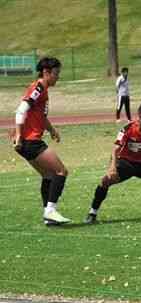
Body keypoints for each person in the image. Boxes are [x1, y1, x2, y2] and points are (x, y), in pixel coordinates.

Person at [13, 57, 71, 226]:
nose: (58, 77)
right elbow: (21, 110)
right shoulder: (38, 87)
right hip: (29, 141)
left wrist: (51, 130)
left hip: (26, 142)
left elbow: (40, 116)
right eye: (56, 73)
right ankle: (50, 211)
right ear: (46, 72)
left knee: (48, 175)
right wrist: (18, 135)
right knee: (61, 172)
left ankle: (48, 215)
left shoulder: (43, 89)